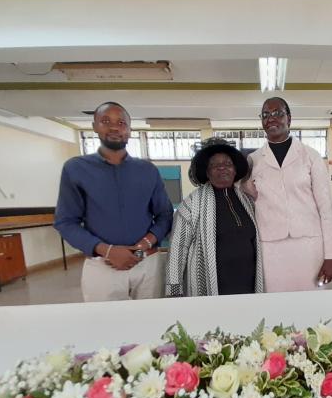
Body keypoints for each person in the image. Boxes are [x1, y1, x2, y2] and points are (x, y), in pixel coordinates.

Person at [54, 101, 173, 301]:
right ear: (94, 127)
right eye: (105, 121)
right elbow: (65, 222)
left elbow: (165, 215)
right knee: (105, 325)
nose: (114, 127)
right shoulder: (75, 169)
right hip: (102, 265)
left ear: (129, 129)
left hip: (146, 263)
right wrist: (108, 251)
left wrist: (144, 244)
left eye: (121, 123)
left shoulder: (147, 170)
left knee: (152, 323)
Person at [242, 97, 332, 292]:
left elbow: (325, 209)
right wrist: (243, 185)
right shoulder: (253, 161)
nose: (271, 119)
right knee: (276, 305)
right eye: (266, 115)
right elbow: (244, 198)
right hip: (270, 248)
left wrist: (331, 256)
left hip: (309, 246)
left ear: (289, 118)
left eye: (278, 113)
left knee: (311, 305)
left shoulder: (310, 156)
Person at [165, 138, 263, 296]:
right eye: (215, 165)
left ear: (235, 169)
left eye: (228, 164)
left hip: (247, 285)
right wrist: (174, 291)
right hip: (212, 288)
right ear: (207, 172)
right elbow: (178, 248)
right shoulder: (191, 204)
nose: (223, 168)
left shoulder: (246, 201)